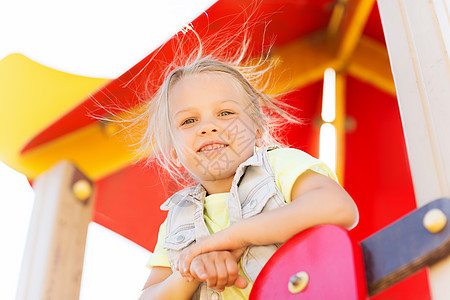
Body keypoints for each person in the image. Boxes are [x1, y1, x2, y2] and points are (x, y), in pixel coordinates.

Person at [137, 56, 358, 300]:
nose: (208, 127)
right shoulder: (176, 221)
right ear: (172, 150)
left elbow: (338, 208)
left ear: (257, 127)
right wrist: (194, 269)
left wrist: (236, 236)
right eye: (189, 120)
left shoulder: (278, 166)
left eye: (225, 113)